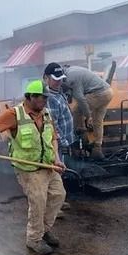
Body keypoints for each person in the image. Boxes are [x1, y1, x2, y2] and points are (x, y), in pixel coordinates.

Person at [0, 80, 66, 255]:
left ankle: (44, 230)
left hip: (47, 165)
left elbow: (53, 138)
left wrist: (56, 159)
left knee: (58, 195)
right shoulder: (14, 114)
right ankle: (34, 239)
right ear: (30, 97)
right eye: (40, 99)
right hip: (28, 169)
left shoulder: (46, 114)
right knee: (38, 202)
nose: (44, 102)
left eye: (45, 98)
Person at [43, 62, 75, 214]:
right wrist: (61, 142)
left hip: (64, 141)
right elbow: (53, 124)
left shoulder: (58, 93)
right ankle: (53, 206)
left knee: (59, 172)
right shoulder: (49, 98)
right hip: (57, 143)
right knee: (54, 174)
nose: (59, 81)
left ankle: (58, 201)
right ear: (46, 78)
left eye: (61, 78)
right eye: (55, 78)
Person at [62, 65, 113, 160]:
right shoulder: (74, 70)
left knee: (77, 111)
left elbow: (81, 99)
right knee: (98, 121)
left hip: (99, 93)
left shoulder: (70, 77)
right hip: (108, 92)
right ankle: (97, 149)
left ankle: (81, 138)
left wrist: (88, 116)